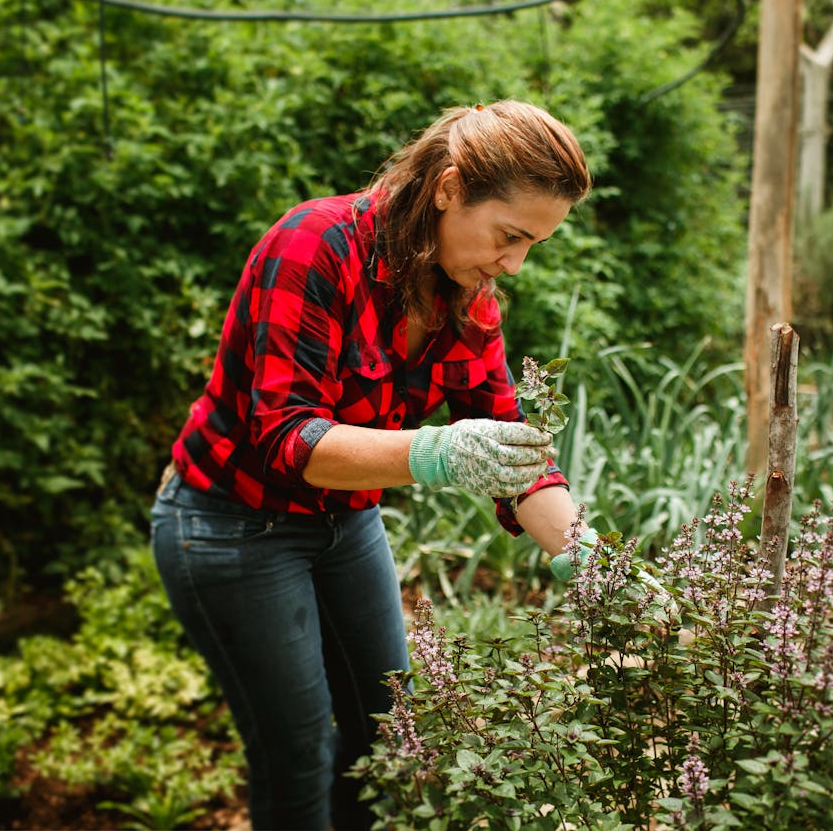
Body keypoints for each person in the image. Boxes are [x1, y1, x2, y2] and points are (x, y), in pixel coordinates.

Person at [149, 99, 592, 830]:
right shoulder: (313, 244)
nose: (513, 264)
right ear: (449, 187)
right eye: (511, 236)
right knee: (298, 756)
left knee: (393, 740)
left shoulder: (469, 299)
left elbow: (512, 448)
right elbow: (287, 440)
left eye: (533, 246)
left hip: (344, 521)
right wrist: (438, 450)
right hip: (230, 527)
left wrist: (594, 562)